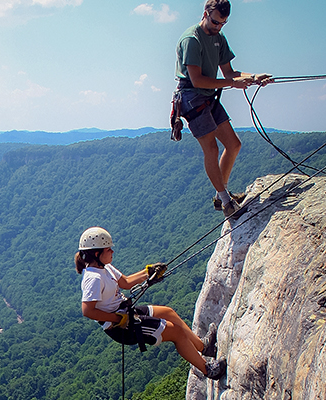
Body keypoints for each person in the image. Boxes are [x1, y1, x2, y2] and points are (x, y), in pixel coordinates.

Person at [75, 227, 225, 380]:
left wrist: (149, 271)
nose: (112, 252)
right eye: (108, 249)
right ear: (96, 253)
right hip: (120, 327)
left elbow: (126, 282)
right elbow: (88, 311)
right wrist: (118, 319)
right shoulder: (93, 278)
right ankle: (208, 370)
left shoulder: (105, 268)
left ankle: (204, 347)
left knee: (168, 313)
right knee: (176, 332)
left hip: (125, 314)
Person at [172, 0, 270, 218]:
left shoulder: (219, 38)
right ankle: (226, 202)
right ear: (205, 13)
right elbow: (197, 80)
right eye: (216, 22)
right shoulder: (192, 39)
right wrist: (233, 83)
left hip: (208, 96)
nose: (218, 27)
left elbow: (229, 73)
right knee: (212, 149)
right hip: (191, 97)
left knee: (233, 144)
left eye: (223, 23)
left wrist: (253, 77)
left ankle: (221, 195)